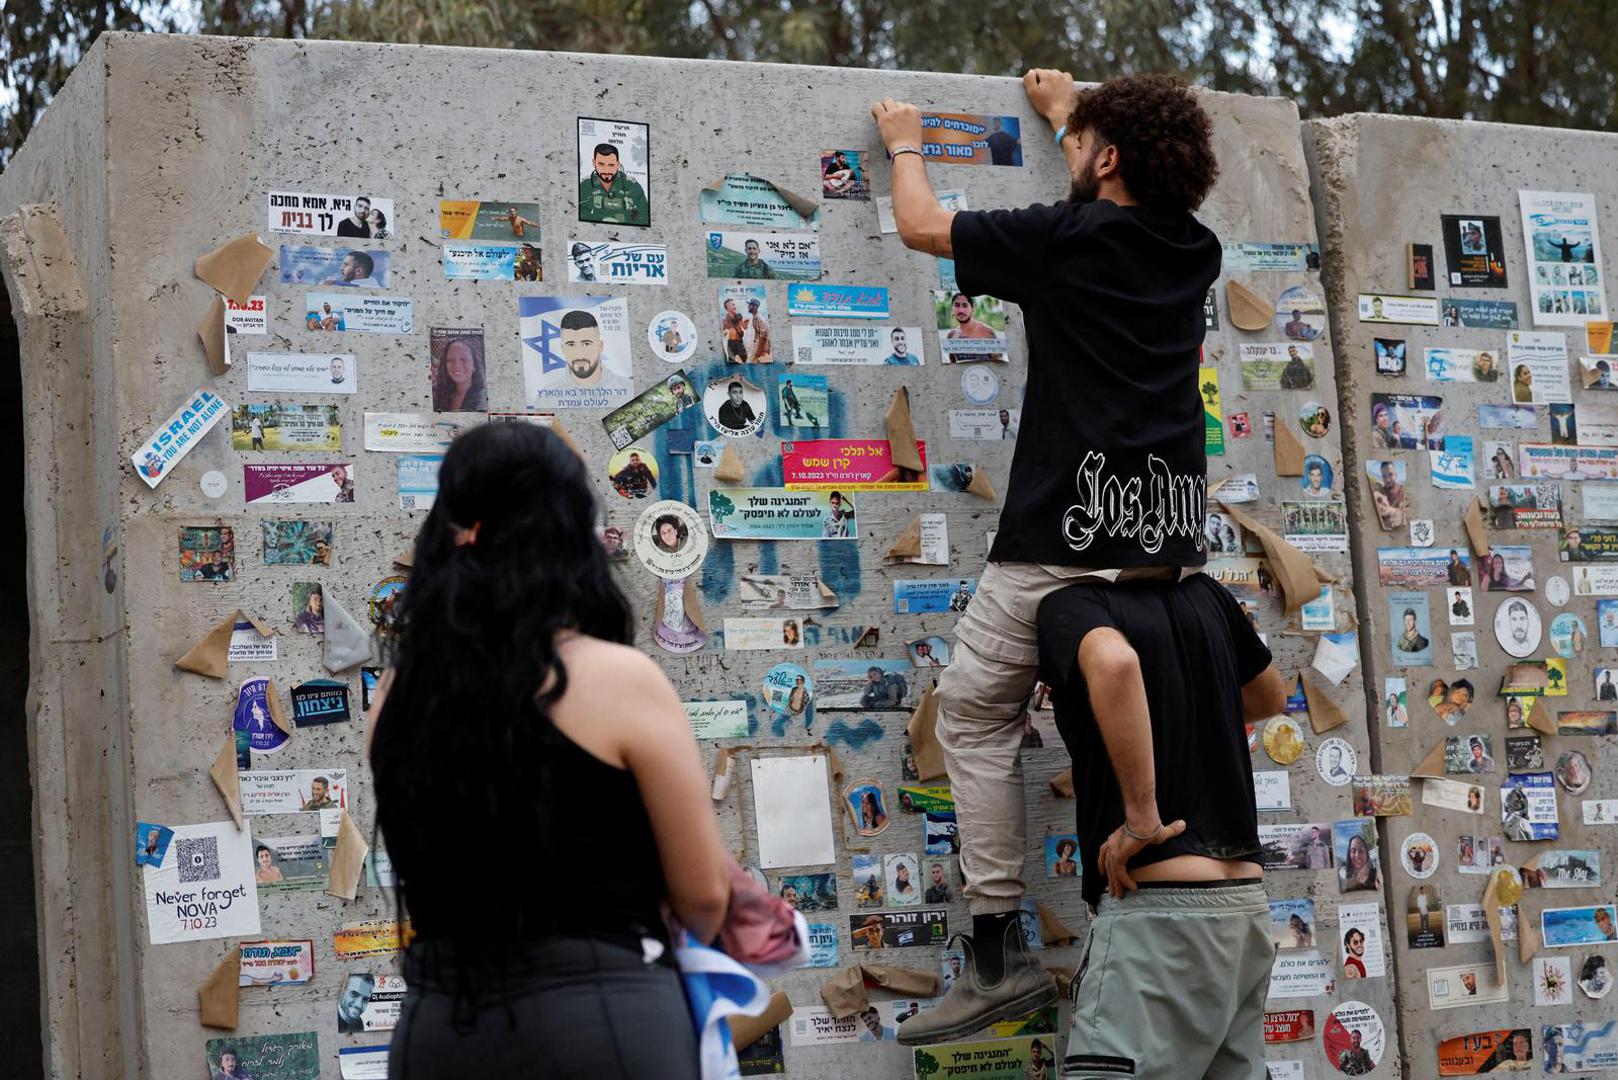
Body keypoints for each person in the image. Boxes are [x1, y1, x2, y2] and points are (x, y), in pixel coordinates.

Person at [875, 69, 1224, 1042]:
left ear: (1107, 161)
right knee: (1121, 748)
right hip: (1161, 548)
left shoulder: (1064, 242)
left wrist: (904, 141)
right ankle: (1148, 969)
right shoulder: (1195, 249)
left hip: (1056, 544)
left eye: (1082, 146)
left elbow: (919, 226)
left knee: (975, 717)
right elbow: (1114, 178)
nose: (1071, 154)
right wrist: (1077, 119)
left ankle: (995, 955)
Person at [370, 422, 729, 1077]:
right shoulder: (619, 678)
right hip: (603, 1020)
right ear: (567, 535)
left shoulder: (396, 693)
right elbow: (704, 895)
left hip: (439, 1029)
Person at [937, 572, 1286, 1072]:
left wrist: (1142, 818)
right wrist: (1178, 713)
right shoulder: (1207, 593)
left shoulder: (1071, 602)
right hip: (1244, 911)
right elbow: (1269, 696)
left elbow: (1116, 661)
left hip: (1159, 915)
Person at [579, 142, 650, 226]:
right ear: (594, 163)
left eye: (611, 165)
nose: (606, 170)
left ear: (618, 164)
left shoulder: (631, 185)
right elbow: (579, 211)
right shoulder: (586, 184)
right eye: (601, 164)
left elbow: (645, 216)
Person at [432, 335, 487, 412]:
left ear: (474, 365)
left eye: (463, 359)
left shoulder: (484, 399)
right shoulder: (436, 393)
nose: (457, 365)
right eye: (450, 360)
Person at [944, 292, 1004, 361]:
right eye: (957, 305)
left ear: (973, 308)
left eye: (965, 305)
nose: (961, 310)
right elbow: (953, 365)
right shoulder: (951, 335)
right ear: (952, 309)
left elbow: (999, 363)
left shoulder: (987, 332)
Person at [559, 310, 606, 388]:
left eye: (586, 344)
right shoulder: (546, 398)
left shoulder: (627, 389)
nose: (579, 354)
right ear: (563, 349)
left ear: (600, 346)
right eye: (571, 345)